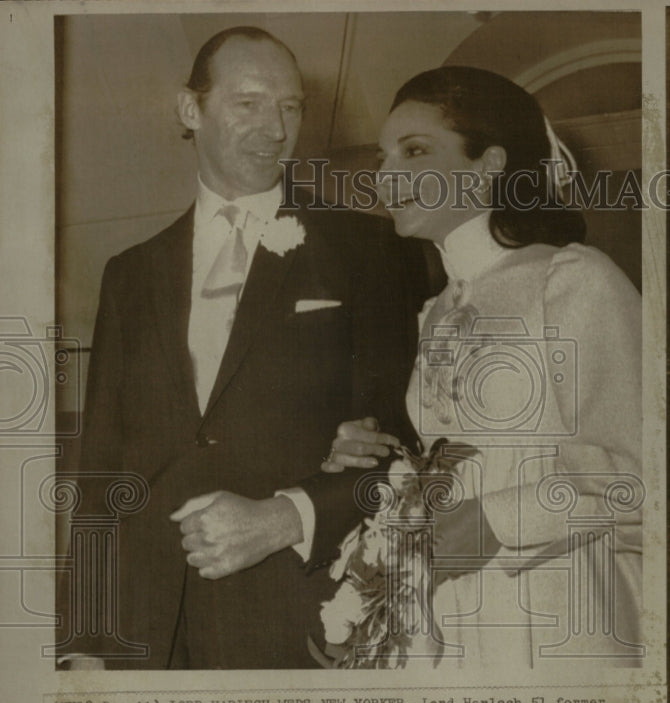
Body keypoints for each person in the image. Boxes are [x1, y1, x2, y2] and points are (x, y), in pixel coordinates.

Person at [59, 27, 427, 669]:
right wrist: (85, 641)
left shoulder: (371, 251)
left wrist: (286, 517)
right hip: (143, 635)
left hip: (295, 619)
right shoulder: (131, 272)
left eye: (290, 107)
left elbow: (402, 448)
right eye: (249, 102)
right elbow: (104, 470)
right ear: (189, 109)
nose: (276, 128)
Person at [319, 66, 644, 670]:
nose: (386, 176)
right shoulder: (437, 309)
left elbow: (646, 476)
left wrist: (498, 521)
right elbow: (471, 459)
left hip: (563, 613)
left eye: (415, 151)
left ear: (489, 163)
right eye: (383, 156)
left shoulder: (573, 279)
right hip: (455, 620)